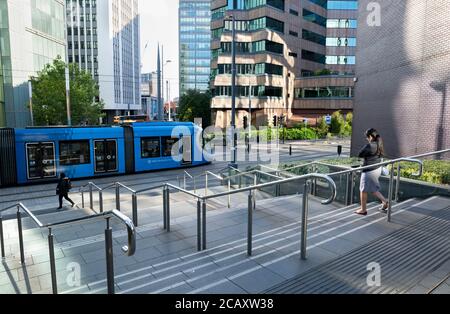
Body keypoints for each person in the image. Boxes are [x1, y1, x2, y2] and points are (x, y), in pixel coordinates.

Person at [355, 128, 389, 216]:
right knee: (373, 189)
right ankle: (385, 202)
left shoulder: (370, 146)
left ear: (370, 136)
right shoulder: (379, 144)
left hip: (369, 170)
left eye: (367, 137)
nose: (367, 139)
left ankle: (363, 210)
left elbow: (360, 154)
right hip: (377, 169)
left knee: (363, 190)